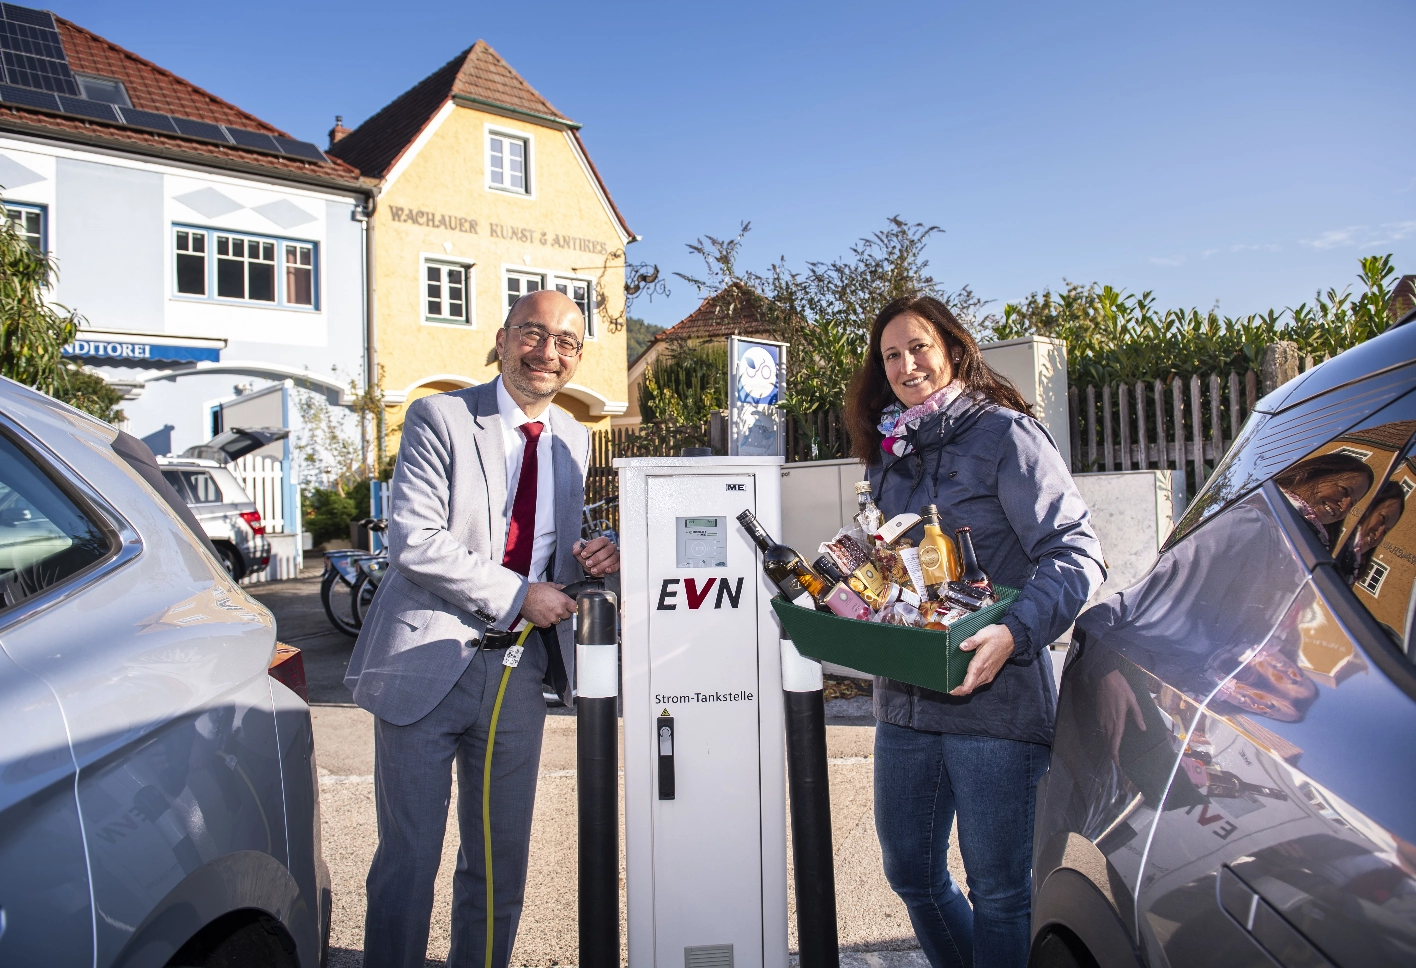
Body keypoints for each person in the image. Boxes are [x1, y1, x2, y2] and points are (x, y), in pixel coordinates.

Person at [344, 289, 619, 968]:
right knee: (408, 859)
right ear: (501, 339)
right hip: (425, 664)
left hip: (519, 673)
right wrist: (520, 594)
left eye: (566, 342)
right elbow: (414, 541)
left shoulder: (573, 439)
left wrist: (596, 548)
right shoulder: (440, 417)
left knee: (499, 859)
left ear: (578, 357)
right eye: (533, 333)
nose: (548, 352)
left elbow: (551, 541)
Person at [843, 296, 1105, 968]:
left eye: (918, 347)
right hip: (904, 701)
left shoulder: (1006, 435)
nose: (906, 364)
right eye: (892, 355)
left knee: (998, 892)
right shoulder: (889, 452)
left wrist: (1015, 633)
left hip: (998, 702)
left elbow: (1076, 552)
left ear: (953, 349)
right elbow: (895, 571)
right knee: (912, 875)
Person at [1272, 451, 1374, 549]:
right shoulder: (1263, 512)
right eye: (1344, 490)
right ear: (1312, 474)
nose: (1345, 507)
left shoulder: (1315, 546)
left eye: (1352, 504)